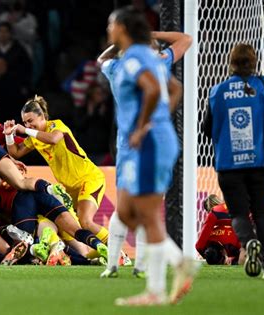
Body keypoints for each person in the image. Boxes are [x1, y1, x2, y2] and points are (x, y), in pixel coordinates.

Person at [99, 7, 197, 306]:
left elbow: (155, 89)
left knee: (145, 214)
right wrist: (159, 121)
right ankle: (176, 264)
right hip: (153, 141)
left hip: (149, 144)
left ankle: (159, 285)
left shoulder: (133, 59)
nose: (108, 29)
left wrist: (144, 127)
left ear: (122, 28)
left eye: (110, 24)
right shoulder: (151, 57)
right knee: (129, 212)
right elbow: (173, 87)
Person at [203, 43, 264, 279]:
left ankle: (249, 244)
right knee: (261, 213)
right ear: (254, 61)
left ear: (231, 63)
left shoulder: (217, 91)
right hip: (260, 162)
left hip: (229, 164)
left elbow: (207, 128)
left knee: (238, 214)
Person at [4, 95, 110, 246]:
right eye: (25, 122)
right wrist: (9, 136)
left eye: (30, 120)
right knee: (67, 226)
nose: (28, 124)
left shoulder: (56, 126)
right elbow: (16, 153)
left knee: (85, 222)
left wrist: (26, 130)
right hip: (70, 188)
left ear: (42, 117)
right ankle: (92, 254)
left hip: (89, 178)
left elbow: (53, 139)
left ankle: (118, 252)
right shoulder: (35, 138)